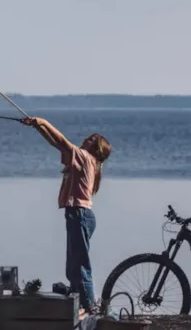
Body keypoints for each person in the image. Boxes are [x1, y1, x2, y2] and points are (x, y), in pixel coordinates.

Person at [20, 116, 112, 319]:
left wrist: (42, 121)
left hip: (80, 215)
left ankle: (90, 309)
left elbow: (61, 141)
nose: (86, 139)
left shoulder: (84, 158)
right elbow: (56, 144)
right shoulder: (84, 159)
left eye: (91, 139)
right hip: (77, 215)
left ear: (95, 149)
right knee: (73, 267)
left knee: (80, 266)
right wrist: (37, 126)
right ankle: (80, 304)